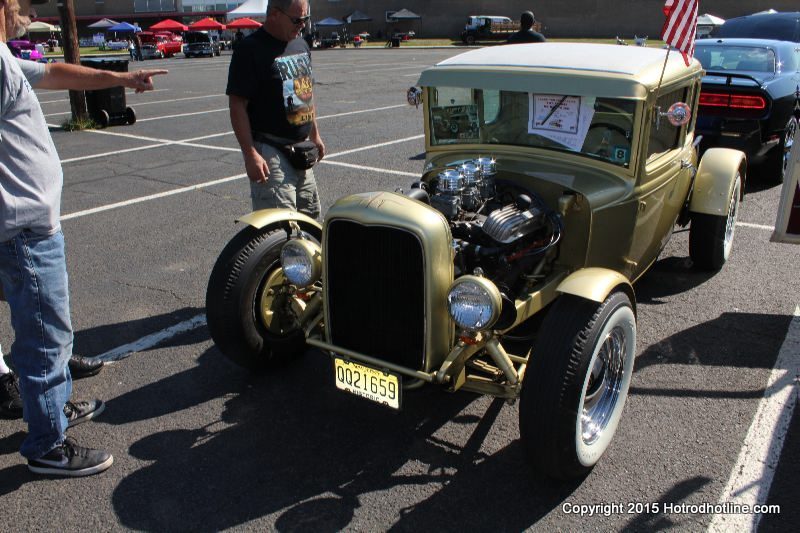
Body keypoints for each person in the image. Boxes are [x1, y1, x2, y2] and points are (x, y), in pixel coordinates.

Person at [0, 0, 167, 476]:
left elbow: (54, 72)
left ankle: (52, 409)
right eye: (22, 4)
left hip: (27, 225)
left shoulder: (5, 58)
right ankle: (48, 446)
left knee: (47, 330)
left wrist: (121, 79)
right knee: (45, 337)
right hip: (22, 227)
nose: (27, 14)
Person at [227, 0, 325, 219]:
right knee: (280, 225)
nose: (302, 25)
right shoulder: (250, 50)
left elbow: (304, 94)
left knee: (310, 218)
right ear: (273, 14)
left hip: (302, 150)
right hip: (271, 151)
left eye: (305, 19)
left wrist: (315, 135)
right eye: (296, 20)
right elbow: (237, 105)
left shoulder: (301, 45)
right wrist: (250, 153)